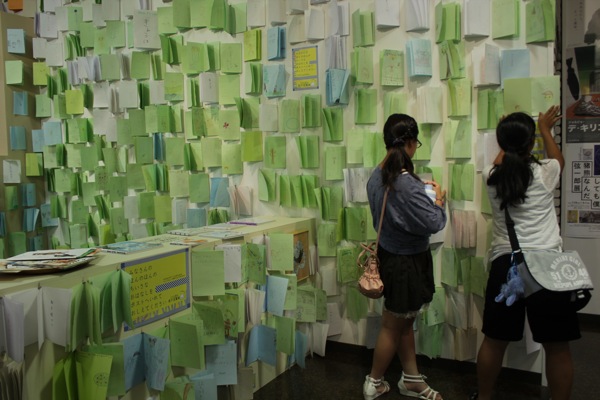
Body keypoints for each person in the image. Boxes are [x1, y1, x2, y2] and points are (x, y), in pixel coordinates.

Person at [471, 105, 581, 400]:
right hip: (548, 266)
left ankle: (484, 397)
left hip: (507, 266)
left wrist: (506, 132)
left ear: (502, 144)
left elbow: (500, 158)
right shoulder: (546, 171)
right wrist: (544, 127)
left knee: (494, 341)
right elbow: (558, 158)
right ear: (532, 143)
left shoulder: (491, 176)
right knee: (557, 346)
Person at [363, 114, 447, 400]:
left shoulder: (377, 175)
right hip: (406, 263)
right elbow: (434, 223)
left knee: (403, 321)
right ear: (410, 143)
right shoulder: (406, 183)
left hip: (390, 256)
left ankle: (411, 378)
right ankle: (373, 382)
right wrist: (438, 200)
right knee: (392, 324)